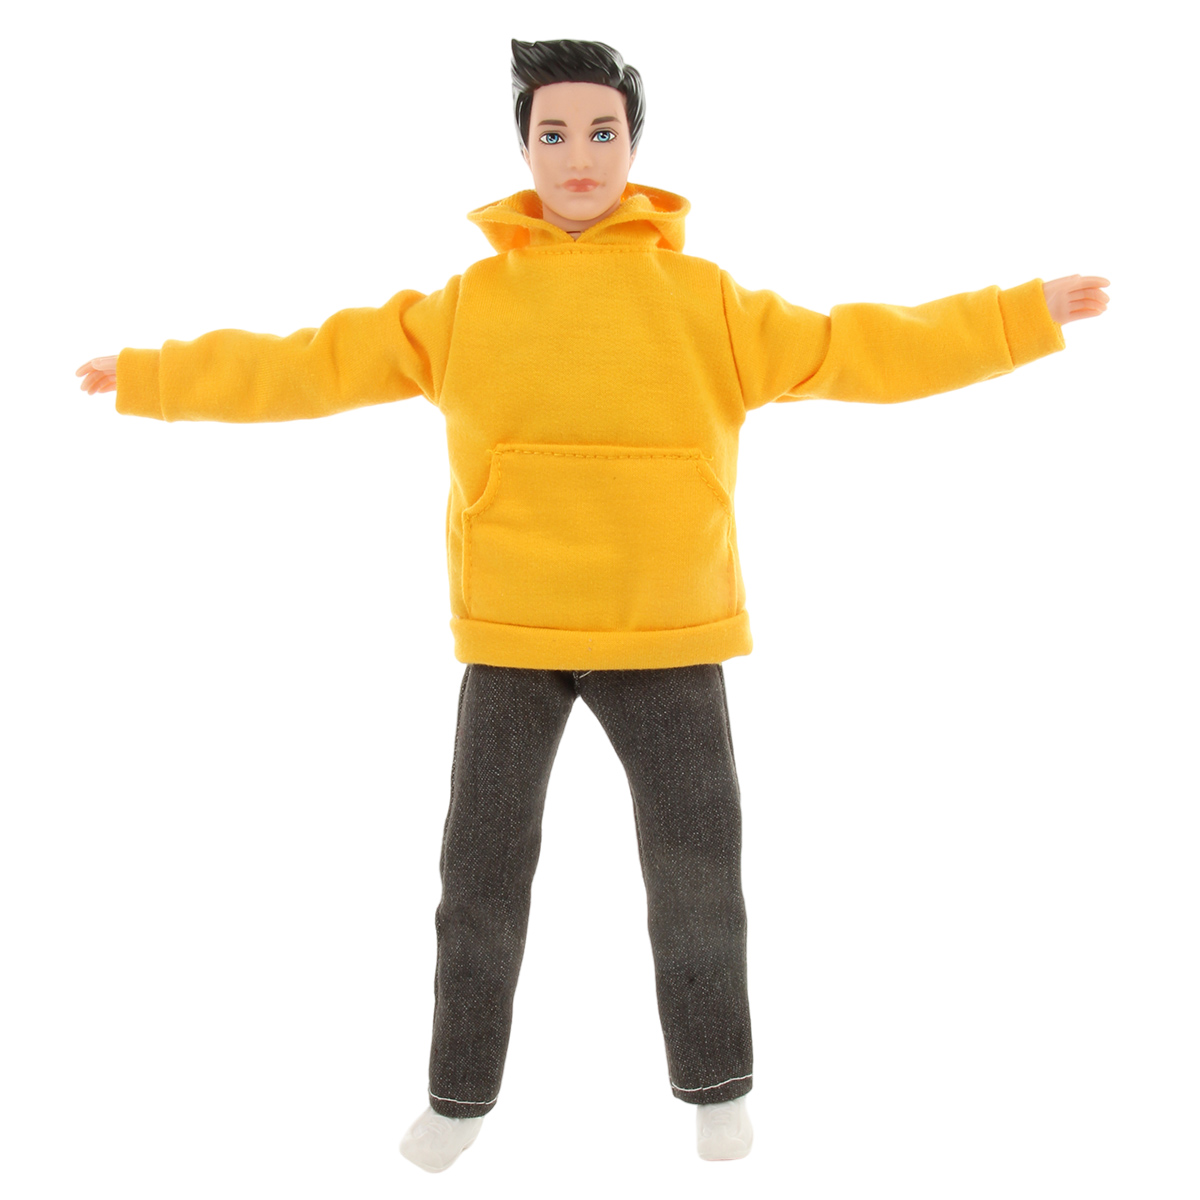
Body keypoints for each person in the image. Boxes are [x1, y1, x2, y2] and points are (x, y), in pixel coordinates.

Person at [76, 37, 1110, 1174]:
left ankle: (716, 1086)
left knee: (697, 871)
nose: (579, 156)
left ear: (634, 146)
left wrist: (1020, 316)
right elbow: (311, 364)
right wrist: (156, 377)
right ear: (523, 149)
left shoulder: (708, 303)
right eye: (554, 133)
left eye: (602, 132)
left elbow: (860, 347)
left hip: (666, 629)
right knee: (478, 880)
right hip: (514, 631)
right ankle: (458, 1097)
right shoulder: (465, 306)